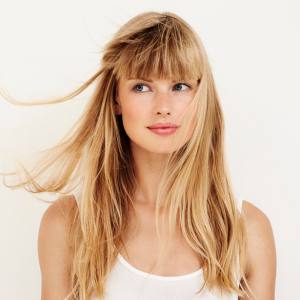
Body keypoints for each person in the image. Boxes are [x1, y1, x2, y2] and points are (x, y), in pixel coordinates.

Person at [0, 11, 276, 300]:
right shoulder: (69, 225)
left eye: (180, 86)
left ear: (201, 97)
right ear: (116, 99)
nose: (163, 107)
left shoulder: (247, 230)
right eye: (142, 87)